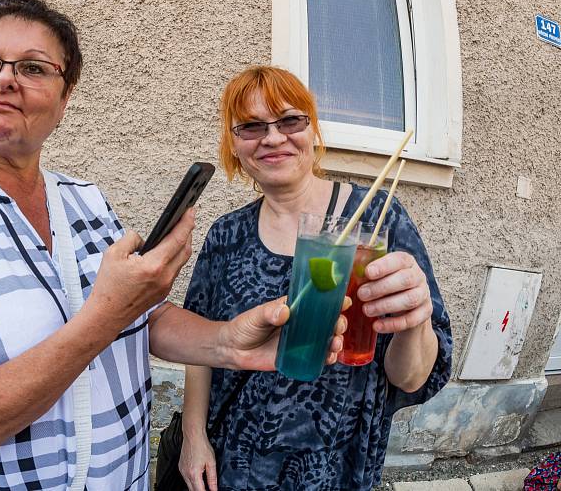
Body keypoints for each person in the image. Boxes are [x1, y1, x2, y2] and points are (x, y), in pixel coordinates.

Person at [0, 0, 346, 491]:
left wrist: (230, 343)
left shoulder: (84, 200)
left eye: (33, 68)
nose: (4, 78)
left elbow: (143, 317)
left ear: (64, 100)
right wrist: (105, 313)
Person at [179, 66, 453, 491]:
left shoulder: (377, 220)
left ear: (312, 129)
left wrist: (415, 323)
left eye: (290, 120)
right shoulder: (226, 235)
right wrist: (194, 437)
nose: (272, 138)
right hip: (237, 458)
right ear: (233, 146)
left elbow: (411, 378)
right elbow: (199, 345)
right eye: (250, 127)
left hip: (337, 466)